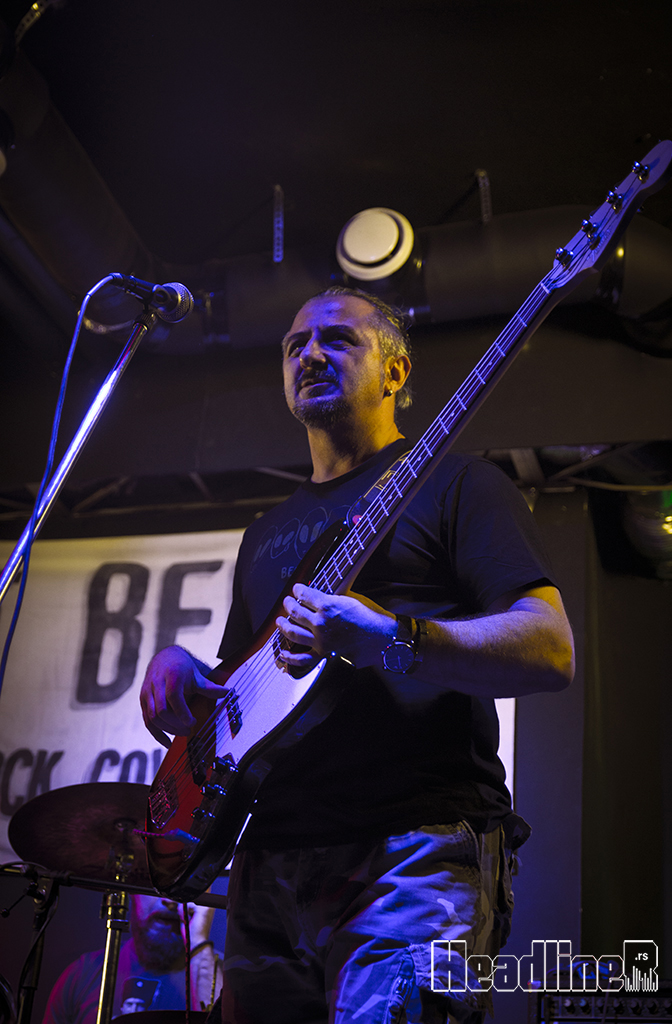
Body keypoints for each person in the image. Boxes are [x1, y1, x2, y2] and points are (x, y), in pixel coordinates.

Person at [140, 287, 575, 1024]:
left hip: (412, 852)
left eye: (337, 339)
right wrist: (181, 670)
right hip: (270, 863)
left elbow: (550, 649)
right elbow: (246, 686)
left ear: (394, 372)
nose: (309, 353)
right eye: (294, 345)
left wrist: (394, 638)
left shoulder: (459, 484)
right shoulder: (265, 531)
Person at [42, 894, 222, 1024]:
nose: (169, 900)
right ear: (132, 893)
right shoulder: (82, 974)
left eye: (180, 889)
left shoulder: (227, 978)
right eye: (155, 887)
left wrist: (199, 942)